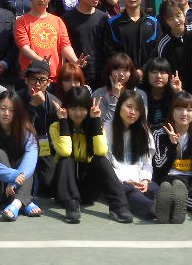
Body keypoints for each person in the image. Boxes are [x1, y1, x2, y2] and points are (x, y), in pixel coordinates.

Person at [50, 85, 133, 224]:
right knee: (66, 159)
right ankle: (71, 206)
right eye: (73, 109)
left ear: (88, 109)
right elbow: (65, 151)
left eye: (82, 109)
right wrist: (63, 122)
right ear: (66, 108)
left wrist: (95, 121)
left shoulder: (95, 126)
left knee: (101, 160)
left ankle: (119, 206)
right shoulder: (56, 127)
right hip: (64, 189)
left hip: (87, 189)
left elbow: (101, 151)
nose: (77, 113)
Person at [0, 92, 39, 221]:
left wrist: (14, 182)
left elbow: (31, 158)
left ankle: (16, 204)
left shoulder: (26, 131)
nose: (6, 113)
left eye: (12, 110)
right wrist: (11, 175)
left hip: (15, 184)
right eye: (3, 108)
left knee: (26, 163)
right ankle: (24, 201)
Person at [151, 92, 192, 222]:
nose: (184, 113)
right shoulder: (160, 134)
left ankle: (173, 205)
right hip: (167, 179)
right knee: (174, 187)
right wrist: (172, 146)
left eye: (189, 110)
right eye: (179, 109)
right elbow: (158, 167)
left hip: (190, 180)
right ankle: (171, 203)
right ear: (172, 111)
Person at [156, 4, 192, 121]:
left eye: (178, 15)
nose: (176, 20)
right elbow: (163, 70)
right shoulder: (164, 43)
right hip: (180, 92)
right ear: (165, 21)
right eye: (170, 18)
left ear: (184, 15)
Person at [109, 90, 159, 220]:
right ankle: (154, 209)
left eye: (137, 109)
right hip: (118, 180)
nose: (132, 112)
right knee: (132, 192)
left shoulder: (144, 132)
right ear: (119, 106)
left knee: (154, 188)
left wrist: (145, 179)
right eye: (129, 106)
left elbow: (147, 163)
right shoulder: (108, 129)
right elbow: (106, 164)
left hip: (138, 177)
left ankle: (169, 206)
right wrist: (125, 180)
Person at [13, 0, 76, 81]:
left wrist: (75, 61)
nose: (41, 0)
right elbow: (24, 48)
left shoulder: (58, 20)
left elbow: (65, 46)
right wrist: (41, 61)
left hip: (54, 75)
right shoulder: (21, 21)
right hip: (31, 76)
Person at [18, 59, 62, 197]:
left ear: (49, 82)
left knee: (47, 186)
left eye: (42, 79)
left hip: (45, 146)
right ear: (26, 80)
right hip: (20, 145)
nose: (37, 83)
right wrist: (32, 105)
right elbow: (18, 129)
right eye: (33, 79)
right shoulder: (15, 98)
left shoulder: (54, 103)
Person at [63, 0, 110, 89]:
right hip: (77, 75)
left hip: (101, 74)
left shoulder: (103, 18)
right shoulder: (67, 18)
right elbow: (64, 47)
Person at [106, 0, 159, 71]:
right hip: (123, 75)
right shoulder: (112, 23)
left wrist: (143, 70)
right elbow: (110, 51)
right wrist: (127, 71)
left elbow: (156, 50)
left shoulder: (153, 22)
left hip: (148, 75)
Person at [92, 52, 147, 129]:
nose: (121, 74)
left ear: (131, 73)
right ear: (109, 71)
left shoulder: (140, 94)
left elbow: (141, 122)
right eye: (117, 69)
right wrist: (114, 97)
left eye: (125, 70)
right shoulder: (99, 94)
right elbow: (103, 125)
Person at [140, 56, 182, 131]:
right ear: (147, 74)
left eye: (163, 73)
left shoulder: (173, 93)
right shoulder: (140, 94)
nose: (158, 76)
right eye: (154, 72)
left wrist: (179, 92)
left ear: (169, 75)